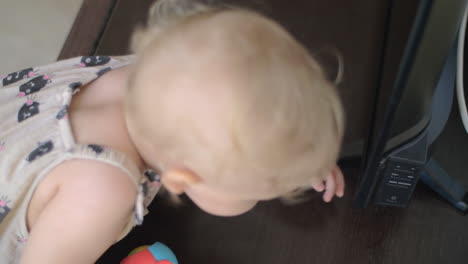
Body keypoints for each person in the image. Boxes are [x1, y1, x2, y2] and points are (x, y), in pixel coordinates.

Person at [0, 0, 345, 263]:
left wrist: (298, 150)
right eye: (261, 190)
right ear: (179, 179)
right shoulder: (101, 193)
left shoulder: (156, 75)